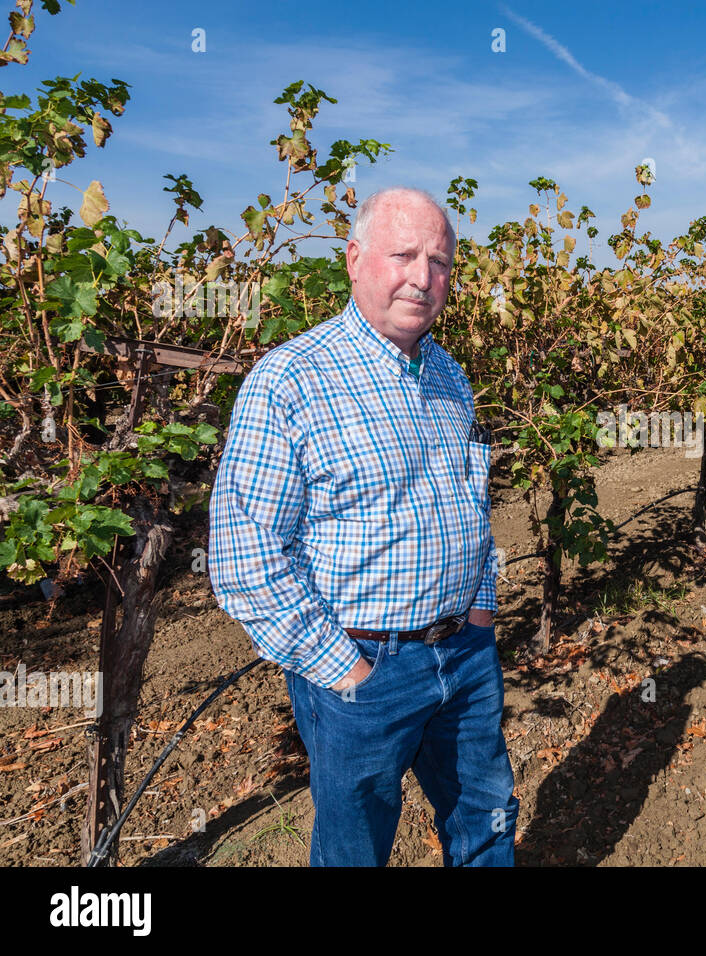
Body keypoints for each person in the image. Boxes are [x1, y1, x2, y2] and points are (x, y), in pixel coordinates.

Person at [208, 186, 518, 866]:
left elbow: (471, 501)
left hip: (464, 656)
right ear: (353, 259)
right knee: (355, 849)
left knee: (487, 820)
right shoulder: (292, 380)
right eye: (403, 254)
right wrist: (344, 669)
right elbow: (244, 557)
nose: (422, 277)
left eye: (439, 261)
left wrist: (483, 612)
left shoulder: (448, 376)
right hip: (362, 667)